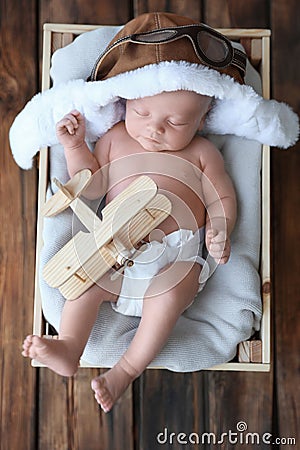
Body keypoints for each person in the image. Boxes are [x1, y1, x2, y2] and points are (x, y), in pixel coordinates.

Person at [22, 88, 236, 412]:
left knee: (169, 293)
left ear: (202, 120)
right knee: (85, 286)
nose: (155, 128)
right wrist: (75, 145)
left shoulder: (203, 153)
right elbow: (91, 185)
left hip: (174, 259)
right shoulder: (114, 139)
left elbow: (222, 199)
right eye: (142, 114)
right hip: (116, 258)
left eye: (175, 121)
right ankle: (69, 346)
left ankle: (125, 371)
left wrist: (220, 228)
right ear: (126, 103)